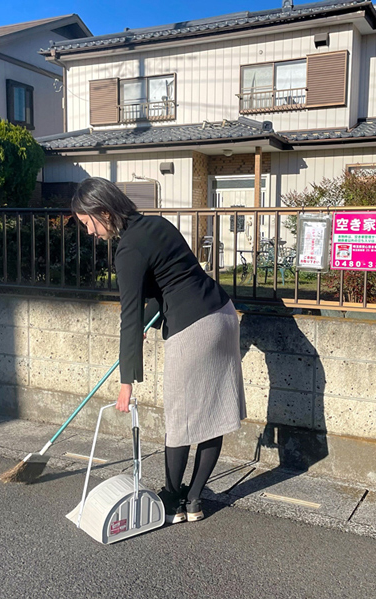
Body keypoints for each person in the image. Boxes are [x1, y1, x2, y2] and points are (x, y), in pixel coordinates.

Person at [73, 177, 246, 523]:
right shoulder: (155, 223)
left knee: (180, 420)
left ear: (103, 213)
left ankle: (171, 499)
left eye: (87, 223)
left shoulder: (127, 250)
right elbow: (170, 280)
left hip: (193, 329)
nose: (89, 233)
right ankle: (194, 499)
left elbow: (130, 316)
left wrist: (126, 382)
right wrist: (150, 321)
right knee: (214, 415)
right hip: (224, 316)